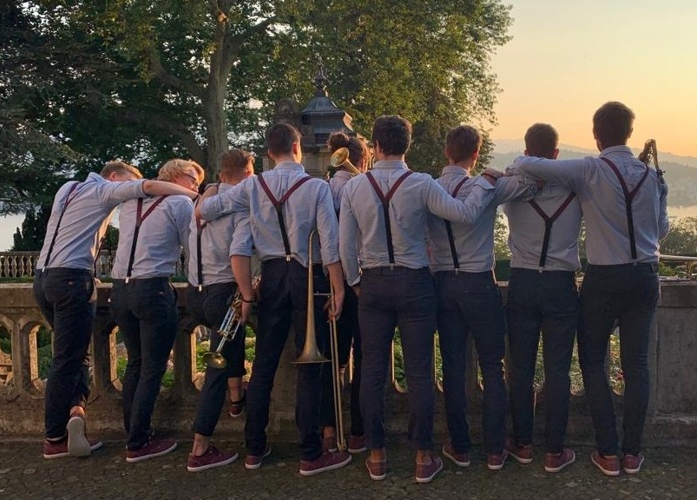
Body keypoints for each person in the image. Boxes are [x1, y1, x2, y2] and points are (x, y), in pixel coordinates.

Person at [512, 102, 669, 476]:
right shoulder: (653, 178)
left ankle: (608, 452)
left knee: (593, 362)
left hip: (604, 279)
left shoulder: (590, 170)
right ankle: (632, 453)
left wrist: (517, 163)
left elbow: (529, 165)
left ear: (596, 136)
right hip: (645, 276)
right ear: (629, 132)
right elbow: (661, 230)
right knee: (637, 365)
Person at [338, 115, 497, 484]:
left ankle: (377, 456)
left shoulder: (355, 187)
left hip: (373, 282)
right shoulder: (422, 183)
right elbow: (462, 214)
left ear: (376, 146)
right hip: (415, 282)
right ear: (407, 145)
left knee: (372, 371)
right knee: (420, 371)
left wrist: (356, 282)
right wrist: (486, 183)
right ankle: (423, 457)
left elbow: (345, 246)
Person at [199, 123, 351, 476]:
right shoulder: (316, 186)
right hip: (306, 276)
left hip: (271, 277)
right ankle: (310, 452)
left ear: (269, 153)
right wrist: (339, 288)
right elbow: (330, 243)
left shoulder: (252, 185)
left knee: (264, 363)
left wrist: (209, 191)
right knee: (311, 364)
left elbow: (206, 211)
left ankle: (254, 447)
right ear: (297, 147)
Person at [34, 160, 198, 460]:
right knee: (72, 360)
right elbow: (152, 190)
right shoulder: (107, 191)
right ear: (113, 176)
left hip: (45, 278)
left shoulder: (67, 188)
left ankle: (77, 409)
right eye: (127, 182)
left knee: (77, 355)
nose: (129, 190)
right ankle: (57, 437)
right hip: (79, 280)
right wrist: (197, 197)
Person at [424, 125, 536, 471]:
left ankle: (460, 447)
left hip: (443, 284)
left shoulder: (428, 188)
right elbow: (531, 182)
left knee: (453, 367)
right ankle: (494, 450)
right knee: (492, 365)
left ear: (447, 151)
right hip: (479, 283)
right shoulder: (486, 187)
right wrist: (504, 171)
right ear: (476, 154)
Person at [502, 123, 582, 473]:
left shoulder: (513, 190)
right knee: (558, 370)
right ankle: (554, 450)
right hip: (560, 283)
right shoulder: (575, 190)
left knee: (520, 368)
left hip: (522, 281)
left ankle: (522, 444)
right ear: (556, 154)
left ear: (525, 150)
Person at [110, 159, 200, 463]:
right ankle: (138, 442)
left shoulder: (131, 202)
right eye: (193, 179)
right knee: (152, 367)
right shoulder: (180, 203)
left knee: (135, 363)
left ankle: (132, 432)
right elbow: (192, 249)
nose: (196, 186)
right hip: (152, 288)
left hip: (120, 290)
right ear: (175, 176)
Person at [185, 149, 255, 472]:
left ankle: (236, 399)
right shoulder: (240, 207)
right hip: (222, 291)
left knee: (230, 346)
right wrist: (247, 294)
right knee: (216, 370)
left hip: (195, 291)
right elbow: (238, 254)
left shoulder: (202, 202)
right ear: (247, 174)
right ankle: (200, 447)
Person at [322, 132, 369, 454]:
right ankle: (359, 432)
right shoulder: (365, 187)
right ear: (363, 159)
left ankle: (328, 429)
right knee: (366, 358)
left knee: (333, 358)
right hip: (363, 280)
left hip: (331, 279)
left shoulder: (324, 189)